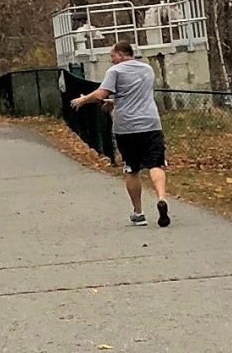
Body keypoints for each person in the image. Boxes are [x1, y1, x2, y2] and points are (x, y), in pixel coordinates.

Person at [70, 41, 171, 227]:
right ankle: (161, 198)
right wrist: (115, 101)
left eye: (112, 56)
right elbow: (133, 94)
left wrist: (83, 99)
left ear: (121, 54)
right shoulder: (147, 69)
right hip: (150, 123)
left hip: (126, 126)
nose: (111, 60)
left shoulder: (115, 72)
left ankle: (138, 213)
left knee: (132, 169)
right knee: (156, 164)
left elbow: (100, 94)